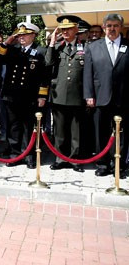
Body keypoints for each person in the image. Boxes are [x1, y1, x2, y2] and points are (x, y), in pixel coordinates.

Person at [0, 22, 49, 168]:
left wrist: (42, 96)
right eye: (20, 35)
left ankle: (29, 155)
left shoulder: (40, 51)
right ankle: (15, 154)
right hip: (12, 94)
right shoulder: (13, 50)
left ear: (33, 35)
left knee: (28, 126)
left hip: (29, 96)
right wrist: (7, 42)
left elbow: (45, 76)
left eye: (25, 34)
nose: (22, 37)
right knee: (14, 126)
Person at [83, 13, 129, 177]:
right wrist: (89, 95)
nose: (112, 29)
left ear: (121, 27)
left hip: (124, 99)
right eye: (109, 25)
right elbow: (88, 74)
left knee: (122, 135)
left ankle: (120, 165)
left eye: (116, 25)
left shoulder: (127, 45)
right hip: (100, 98)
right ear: (103, 28)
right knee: (101, 133)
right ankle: (102, 164)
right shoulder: (93, 47)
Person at [45, 15, 86, 172]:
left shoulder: (84, 47)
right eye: (63, 29)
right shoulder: (57, 48)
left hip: (77, 94)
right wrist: (52, 42)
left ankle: (75, 160)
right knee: (60, 131)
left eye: (69, 29)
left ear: (76, 29)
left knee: (76, 131)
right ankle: (60, 158)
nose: (66, 32)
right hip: (59, 94)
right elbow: (48, 63)